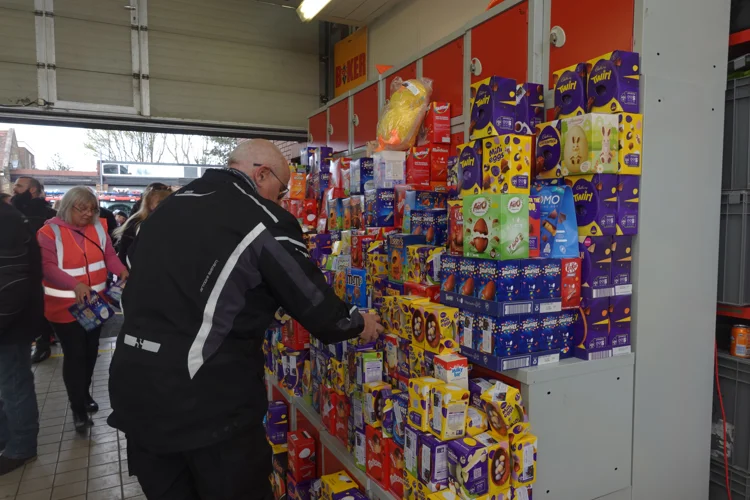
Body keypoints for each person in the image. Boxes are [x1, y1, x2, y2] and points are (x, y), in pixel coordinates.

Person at [108, 139, 382, 500]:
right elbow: (314, 303)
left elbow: (187, 289)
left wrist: (258, 305)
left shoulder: (168, 209)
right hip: (206, 403)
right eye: (281, 191)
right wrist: (359, 323)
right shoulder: (262, 217)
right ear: (261, 173)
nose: (282, 201)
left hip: (135, 390)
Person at [37, 187, 128, 432]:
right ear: (68, 207)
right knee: (75, 355)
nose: (88, 214)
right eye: (82, 209)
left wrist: (122, 271)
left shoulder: (99, 228)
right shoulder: (48, 232)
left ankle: (84, 393)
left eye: (92, 209)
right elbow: (47, 267)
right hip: (63, 307)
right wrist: (74, 284)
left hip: (93, 305)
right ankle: (77, 406)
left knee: (89, 353)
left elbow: (109, 255)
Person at [0, 201, 41, 474]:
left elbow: (11, 281)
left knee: (14, 385)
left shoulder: (8, 220)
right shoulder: (12, 218)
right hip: (14, 319)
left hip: (11, 323)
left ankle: (21, 446)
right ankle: (8, 438)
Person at [11, 176, 57, 364]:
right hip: (24, 271)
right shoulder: (14, 211)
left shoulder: (46, 215)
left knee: (36, 309)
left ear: (32, 190)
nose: (15, 190)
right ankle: (44, 340)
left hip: (35, 271)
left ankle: (42, 343)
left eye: (19, 186)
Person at [113, 184, 172, 266]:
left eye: (168, 202)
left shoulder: (173, 223)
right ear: (148, 203)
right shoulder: (135, 223)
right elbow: (124, 251)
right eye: (160, 202)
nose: (164, 205)